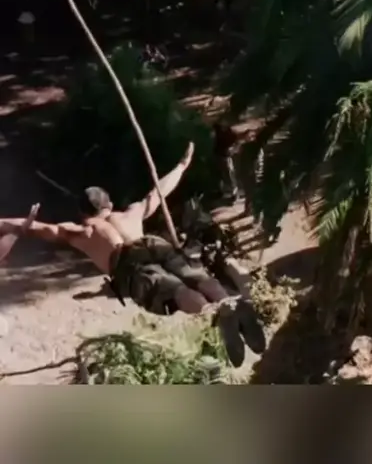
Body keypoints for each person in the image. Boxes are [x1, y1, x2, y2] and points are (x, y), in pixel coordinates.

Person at [0, 144, 265, 368]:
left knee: (176, 291)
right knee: (197, 276)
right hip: (152, 243)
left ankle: (212, 313)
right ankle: (226, 302)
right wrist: (181, 166)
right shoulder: (131, 213)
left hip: (127, 263)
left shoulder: (82, 231)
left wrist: (13, 223)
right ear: (109, 205)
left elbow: (40, 229)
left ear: (82, 213)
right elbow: (157, 192)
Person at [212, 121, 240, 202]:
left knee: (229, 176)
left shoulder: (229, 133)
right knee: (219, 175)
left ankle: (234, 193)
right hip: (217, 155)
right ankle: (221, 191)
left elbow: (237, 143)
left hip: (225, 157)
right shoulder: (217, 128)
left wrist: (232, 150)